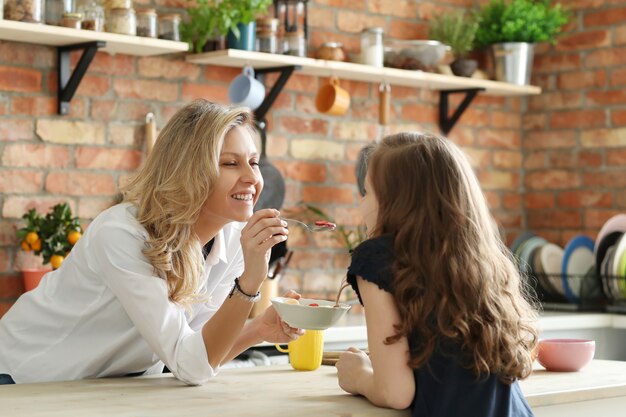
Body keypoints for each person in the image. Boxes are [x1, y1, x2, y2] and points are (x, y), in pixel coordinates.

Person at [0, 99, 302, 385]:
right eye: (230, 164)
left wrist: (258, 329)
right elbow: (191, 366)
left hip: (99, 390)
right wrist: (250, 281)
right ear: (191, 171)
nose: (252, 177)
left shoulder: (234, 238)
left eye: (253, 162)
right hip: (23, 376)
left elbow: (197, 349)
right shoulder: (122, 233)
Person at [335, 132, 538, 416]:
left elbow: (394, 393)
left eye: (367, 192)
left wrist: (358, 376)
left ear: (398, 203)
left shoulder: (376, 258)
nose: (362, 204)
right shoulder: (483, 260)